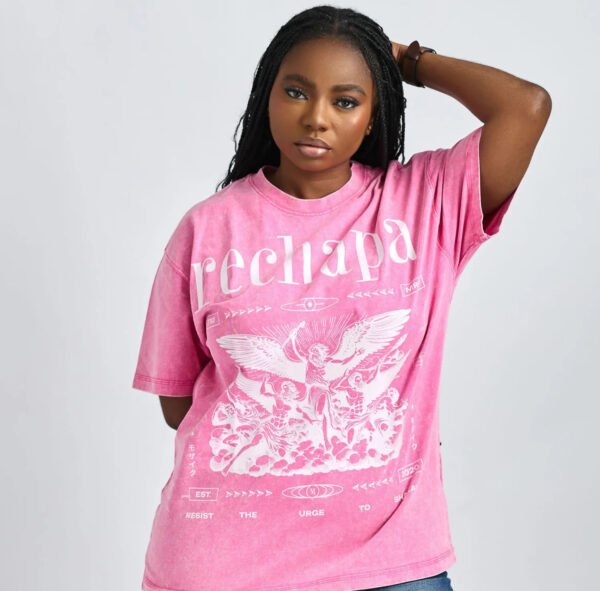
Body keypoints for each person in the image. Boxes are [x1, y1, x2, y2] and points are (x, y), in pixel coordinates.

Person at [131, 5, 551, 591]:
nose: (317, 118)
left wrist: (402, 60)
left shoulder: (426, 203)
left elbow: (526, 107)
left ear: (376, 111)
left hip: (391, 563)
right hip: (220, 565)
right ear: (266, 95)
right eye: (296, 92)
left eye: (346, 100)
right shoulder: (206, 230)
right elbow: (179, 404)